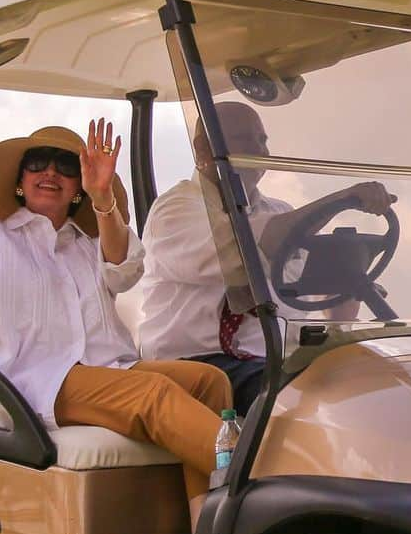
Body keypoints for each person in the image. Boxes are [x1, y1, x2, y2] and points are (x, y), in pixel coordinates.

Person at [0, 104, 231, 530]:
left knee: (209, 381)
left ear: (78, 186)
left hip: (104, 372)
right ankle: (258, 480)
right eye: (37, 163)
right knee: (153, 394)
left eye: (66, 166)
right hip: (33, 384)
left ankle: (207, 528)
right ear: (20, 181)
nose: (51, 173)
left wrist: (105, 201)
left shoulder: (85, 245)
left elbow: (125, 271)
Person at [139, 101, 394, 416]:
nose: (262, 152)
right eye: (247, 141)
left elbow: (298, 285)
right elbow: (245, 249)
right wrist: (342, 200)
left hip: (274, 359)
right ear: (204, 149)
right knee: (299, 397)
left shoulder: (280, 212)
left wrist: (348, 285)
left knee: (380, 382)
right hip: (194, 362)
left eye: (263, 141)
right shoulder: (174, 211)